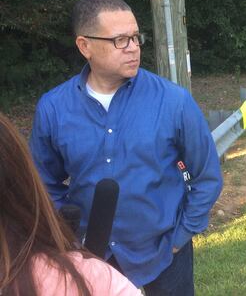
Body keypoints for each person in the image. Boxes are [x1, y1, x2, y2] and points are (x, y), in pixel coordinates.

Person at [29, 0, 223, 295]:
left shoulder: (173, 101)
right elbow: (42, 183)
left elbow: (207, 176)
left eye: (135, 37)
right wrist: (69, 237)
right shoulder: (53, 109)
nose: (133, 48)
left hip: (164, 256)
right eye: (120, 40)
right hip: (93, 259)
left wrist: (179, 238)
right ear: (85, 46)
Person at [0, 112, 142, 295]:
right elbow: (48, 180)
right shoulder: (54, 108)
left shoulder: (172, 100)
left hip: (154, 249)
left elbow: (189, 168)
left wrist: (182, 232)